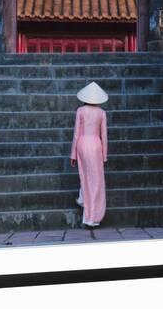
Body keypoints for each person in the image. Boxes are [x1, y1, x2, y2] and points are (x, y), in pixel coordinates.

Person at [70, 81, 109, 228]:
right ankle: (92, 217)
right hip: (95, 145)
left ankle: (83, 200)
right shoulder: (101, 113)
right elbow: (104, 136)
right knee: (96, 181)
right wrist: (105, 155)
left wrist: (73, 154)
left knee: (85, 176)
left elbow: (76, 134)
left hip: (82, 144)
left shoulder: (80, 110)